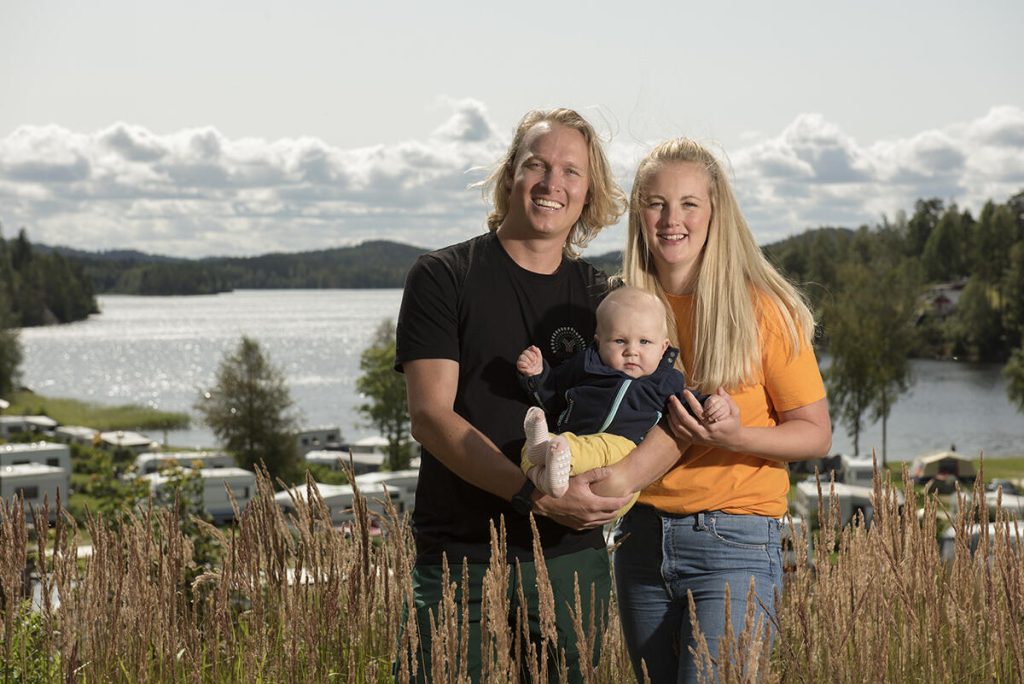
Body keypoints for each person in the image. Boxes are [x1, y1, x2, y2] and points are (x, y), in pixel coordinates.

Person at [394, 107, 633, 682]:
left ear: (588, 194)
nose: (553, 184)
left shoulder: (605, 298)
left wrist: (615, 487)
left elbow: (646, 407)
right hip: (461, 559)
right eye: (537, 165)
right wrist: (533, 495)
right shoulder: (443, 276)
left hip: (572, 559)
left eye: (572, 172)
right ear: (509, 177)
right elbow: (430, 417)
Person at [612, 138, 832, 683]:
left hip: (731, 545)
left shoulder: (762, 308)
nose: (671, 219)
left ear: (715, 214)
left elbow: (814, 434)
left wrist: (736, 436)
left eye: (689, 203)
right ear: (639, 213)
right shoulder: (623, 309)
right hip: (639, 542)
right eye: (656, 202)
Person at [515, 286, 727, 512]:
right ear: (599, 342)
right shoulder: (586, 366)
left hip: (619, 453)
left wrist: (712, 404)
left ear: (663, 347)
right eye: (619, 341)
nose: (631, 351)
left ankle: (556, 461)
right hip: (571, 437)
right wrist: (537, 375)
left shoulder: (665, 381)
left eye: (644, 342)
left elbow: (689, 404)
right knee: (531, 447)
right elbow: (553, 394)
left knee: (595, 446)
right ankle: (546, 475)